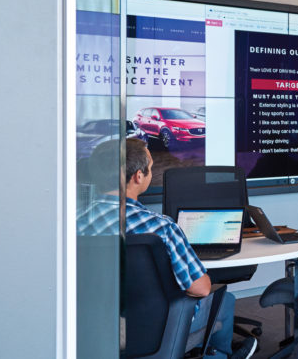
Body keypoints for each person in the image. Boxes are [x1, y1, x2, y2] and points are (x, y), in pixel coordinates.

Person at [78, 138, 254, 359]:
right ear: (138, 176)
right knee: (223, 300)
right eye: (150, 168)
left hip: (91, 328)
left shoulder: (72, 225)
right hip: (157, 328)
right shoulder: (159, 226)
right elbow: (199, 289)